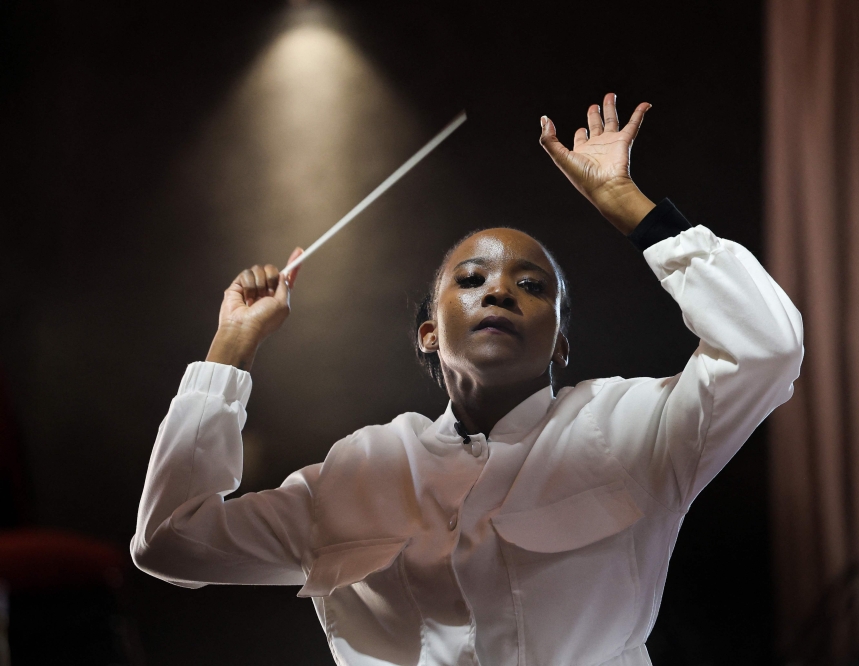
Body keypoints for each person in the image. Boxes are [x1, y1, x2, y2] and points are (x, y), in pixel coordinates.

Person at [132, 93, 803, 666]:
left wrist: (629, 204)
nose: (500, 292)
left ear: (560, 342)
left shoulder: (633, 428)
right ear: (430, 332)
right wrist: (230, 348)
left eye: (531, 285)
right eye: (472, 280)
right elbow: (169, 542)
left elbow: (767, 347)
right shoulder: (356, 471)